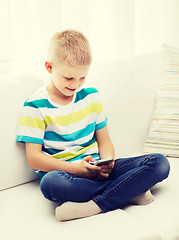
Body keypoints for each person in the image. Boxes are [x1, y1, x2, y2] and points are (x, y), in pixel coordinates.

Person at [16, 29, 170, 221]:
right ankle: (128, 191)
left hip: (96, 168)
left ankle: (95, 204)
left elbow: (104, 140)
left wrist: (107, 160)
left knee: (160, 163)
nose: (76, 85)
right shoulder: (35, 106)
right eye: (69, 78)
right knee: (50, 184)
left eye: (82, 77)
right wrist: (77, 170)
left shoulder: (91, 96)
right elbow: (34, 159)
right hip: (65, 174)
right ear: (49, 67)